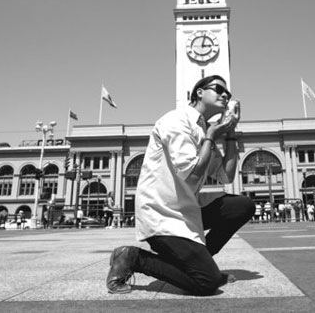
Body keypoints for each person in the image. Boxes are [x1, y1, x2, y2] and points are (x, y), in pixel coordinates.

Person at [106, 75, 253, 295]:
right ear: (199, 92)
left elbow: (226, 175)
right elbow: (192, 177)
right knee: (207, 284)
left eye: (228, 94)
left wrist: (230, 134)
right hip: (162, 215)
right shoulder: (176, 120)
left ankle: (197, 265)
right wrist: (212, 136)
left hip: (187, 213)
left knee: (243, 205)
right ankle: (133, 257)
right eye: (218, 89)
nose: (225, 95)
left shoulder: (203, 130)